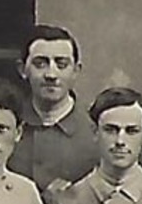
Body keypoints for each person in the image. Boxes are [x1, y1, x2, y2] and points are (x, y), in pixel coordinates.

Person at [8, 24, 100, 194]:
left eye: (61, 64)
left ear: (76, 71)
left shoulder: (96, 130)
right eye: (40, 64)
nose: (51, 74)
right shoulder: (6, 121)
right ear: (22, 69)